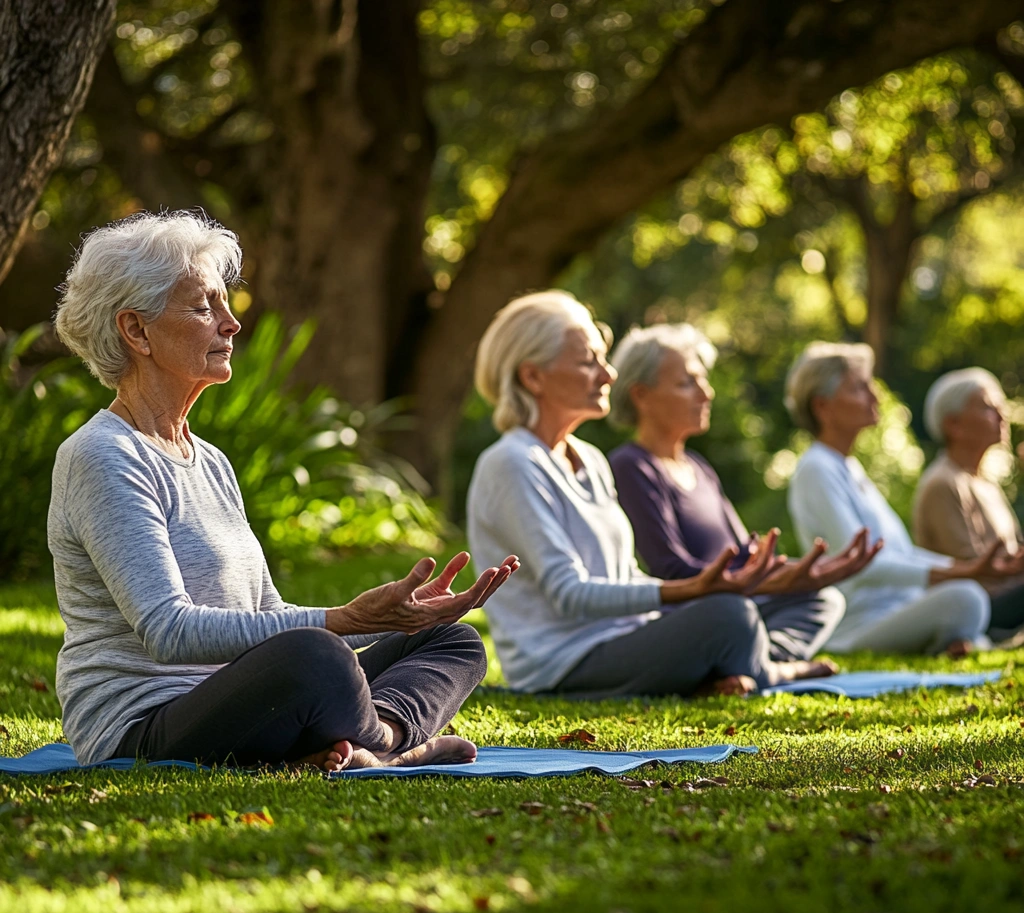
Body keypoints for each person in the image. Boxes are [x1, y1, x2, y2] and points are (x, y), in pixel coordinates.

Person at [49, 210, 518, 772]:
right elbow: (168, 632)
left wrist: (388, 616)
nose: (231, 323)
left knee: (450, 640)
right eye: (203, 308)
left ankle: (373, 739)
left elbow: (268, 613)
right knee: (316, 655)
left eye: (225, 304)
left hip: (250, 699)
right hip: (146, 726)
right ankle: (390, 746)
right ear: (136, 330)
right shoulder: (102, 455)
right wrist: (346, 619)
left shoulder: (211, 461)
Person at [466, 290, 843, 700]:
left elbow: (625, 578)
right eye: (588, 361)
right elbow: (570, 594)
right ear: (532, 376)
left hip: (627, 637)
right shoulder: (511, 462)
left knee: (739, 609)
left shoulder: (589, 459)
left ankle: (731, 668)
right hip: (563, 662)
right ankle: (774, 671)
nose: (609, 374)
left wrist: (727, 587)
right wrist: (694, 591)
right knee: (728, 615)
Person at [606, 323, 879, 666]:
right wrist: (760, 581)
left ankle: (759, 663)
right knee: (731, 611)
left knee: (825, 598)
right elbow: (671, 570)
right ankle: (758, 663)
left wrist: (804, 572)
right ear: (641, 395)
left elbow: (747, 553)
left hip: (736, 599)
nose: (706, 393)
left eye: (702, 381)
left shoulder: (699, 467)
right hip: (697, 610)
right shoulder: (632, 466)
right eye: (687, 383)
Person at [785, 342, 1024, 654]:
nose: (875, 396)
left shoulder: (849, 467)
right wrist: (964, 571)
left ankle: (962, 642)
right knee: (967, 597)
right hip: (857, 624)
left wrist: (970, 567)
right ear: (822, 406)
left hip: (897, 608)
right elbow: (860, 566)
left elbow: (901, 553)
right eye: (859, 388)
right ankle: (959, 641)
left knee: (966, 593)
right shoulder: (816, 469)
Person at [914, 367, 1024, 637]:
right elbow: (974, 571)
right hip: (975, 607)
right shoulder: (943, 484)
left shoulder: (986, 483)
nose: (1002, 415)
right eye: (988, 407)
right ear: (954, 424)